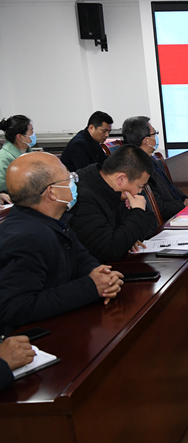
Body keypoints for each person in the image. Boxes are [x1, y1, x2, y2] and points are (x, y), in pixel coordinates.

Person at [0, 152, 124, 337]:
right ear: (52, 192)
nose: (74, 183)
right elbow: (17, 308)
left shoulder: (53, 219)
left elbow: (80, 257)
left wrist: (103, 276)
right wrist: (91, 287)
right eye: (69, 178)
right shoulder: (25, 238)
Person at [71, 145, 158, 263]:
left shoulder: (119, 190)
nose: (139, 192)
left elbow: (152, 223)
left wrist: (129, 238)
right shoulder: (83, 197)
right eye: (140, 186)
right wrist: (137, 213)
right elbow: (109, 251)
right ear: (121, 179)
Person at [122, 115, 188, 219]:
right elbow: (159, 208)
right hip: (170, 218)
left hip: (178, 209)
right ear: (146, 140)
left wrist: (184, 197)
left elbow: (170, 186)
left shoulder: (150, 158)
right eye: (155, 133)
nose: (156, 137)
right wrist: (182, 205)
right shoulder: (138, 169)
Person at [0, 114, 35, 194]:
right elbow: (3, 190)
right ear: (20, 137)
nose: (33, 135)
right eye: (31, 131)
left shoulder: (28, 151)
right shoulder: (3, 159)